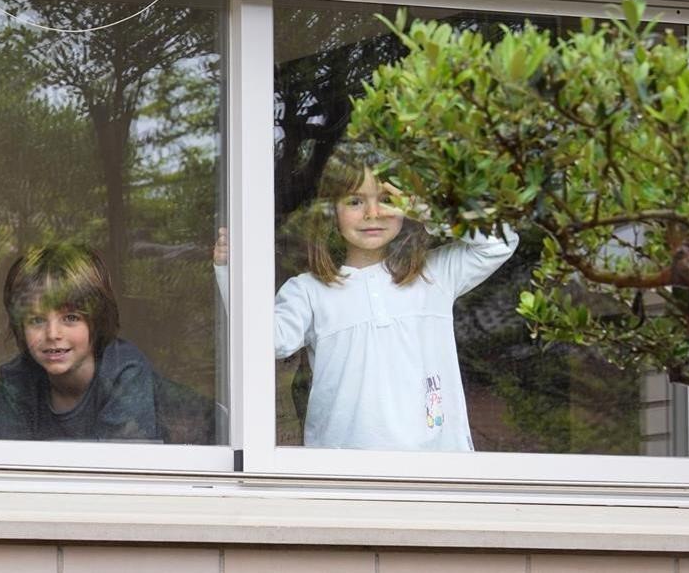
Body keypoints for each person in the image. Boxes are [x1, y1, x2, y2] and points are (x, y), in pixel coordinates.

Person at [214, 157, 517, 451]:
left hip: (436, 470)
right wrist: (232, 270)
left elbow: (500, 242)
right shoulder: (310, 290)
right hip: (343, 474)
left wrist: (428, 211)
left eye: (386, 199)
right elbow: (269, 341)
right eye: (355, 201)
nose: (373, 213)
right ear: (332, 211)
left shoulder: (433, 274)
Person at [0, 243, 160, 441]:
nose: (52, 334)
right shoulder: (17, 379)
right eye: (37, 320)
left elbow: (120, 465)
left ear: (97, 321)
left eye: (70, 318)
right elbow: (9, 464)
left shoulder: (125, 373)